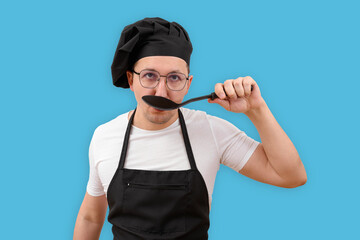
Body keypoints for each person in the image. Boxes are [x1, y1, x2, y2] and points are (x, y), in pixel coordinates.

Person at [73, 17, 307, 240]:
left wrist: (256, 110)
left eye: (174, 78)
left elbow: (291, 176)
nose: (161, 92)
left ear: (188, 85)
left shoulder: (211, 131)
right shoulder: (105, 136)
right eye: (150, 76)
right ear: (131, 80)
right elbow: (91, 217)